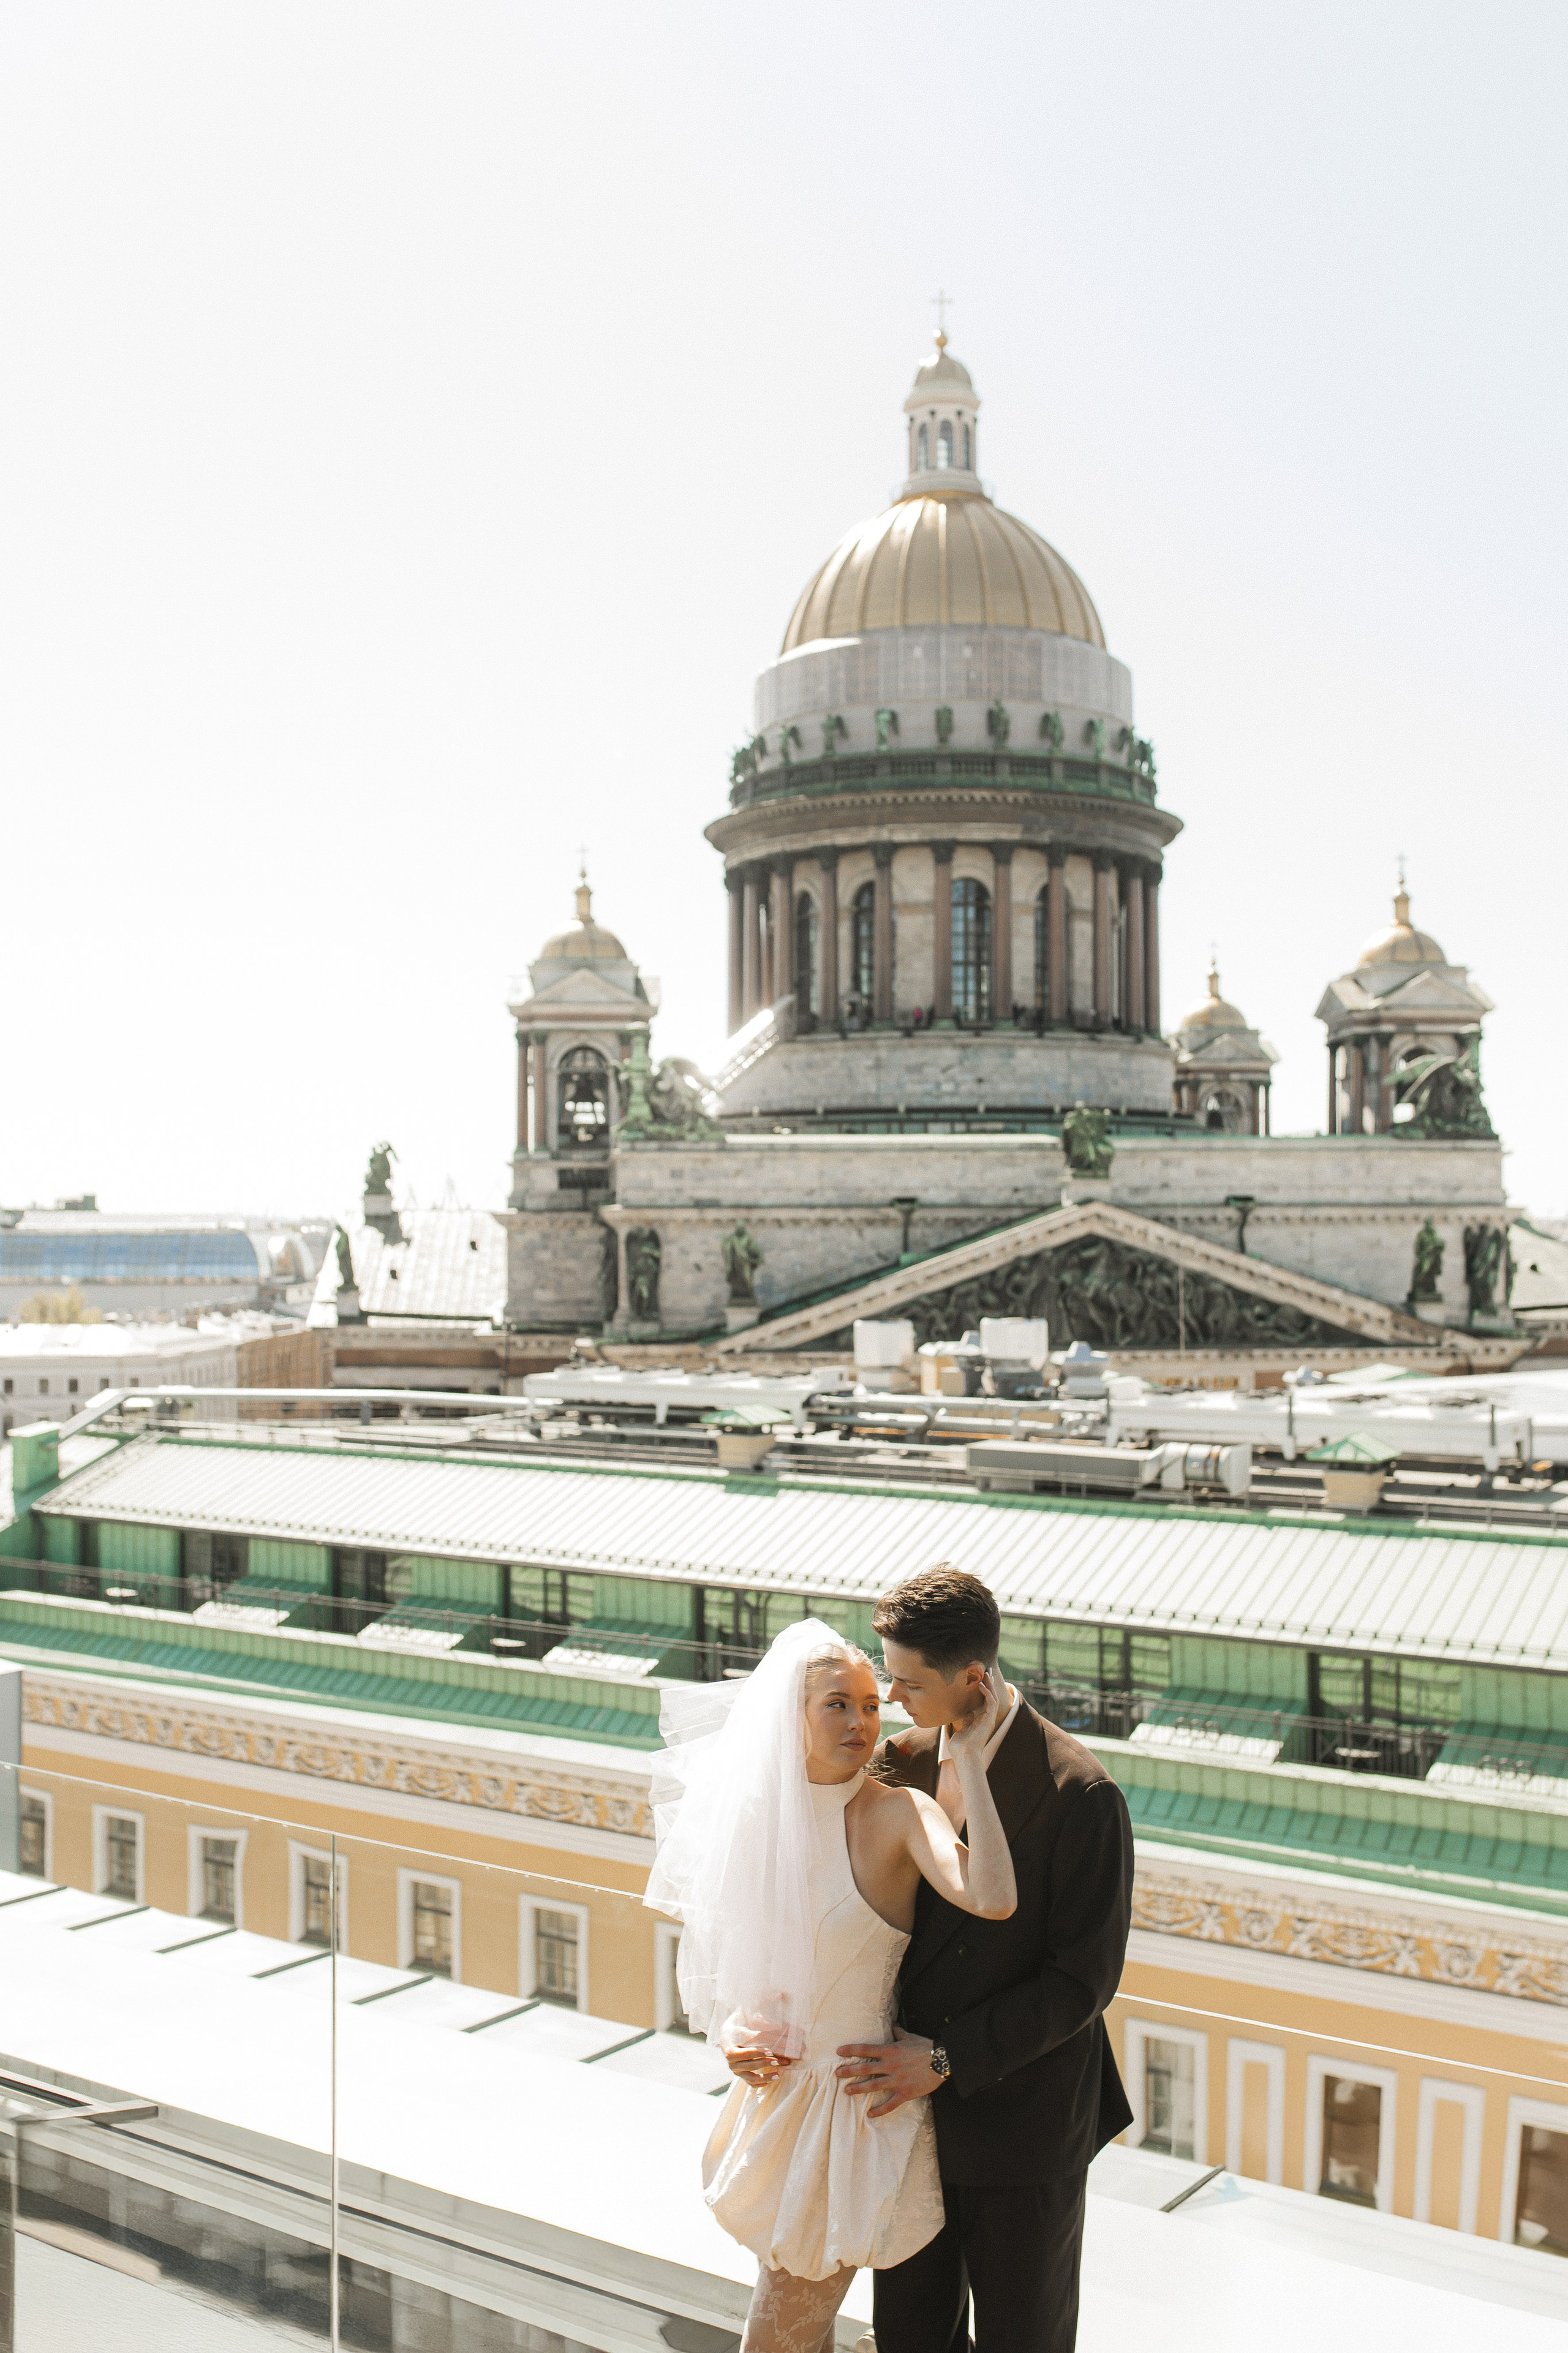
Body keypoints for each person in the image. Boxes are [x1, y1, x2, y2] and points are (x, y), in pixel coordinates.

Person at [644, 1617, 1018, 2353]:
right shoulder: (756, 1819)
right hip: (777, 2103)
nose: (860, 1720)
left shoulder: (898, 1812)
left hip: (849, 2116)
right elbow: (749, 1966)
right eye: (836, 1704)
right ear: (793, 1714)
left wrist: (969, 1761)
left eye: (870, 1704)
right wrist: (738, 2037)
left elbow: (994, 1896)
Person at [839, 1565, 1134, 2353]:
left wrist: (942, 2057)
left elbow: (1084, 1981)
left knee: (1021, 2340)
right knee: (908, 2336)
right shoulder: (893, 1763)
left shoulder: (1082, 1791)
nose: (890, 1698)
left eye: (905, 1681)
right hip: (903, 2117)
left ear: (972, 1677)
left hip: (1024, 2122)